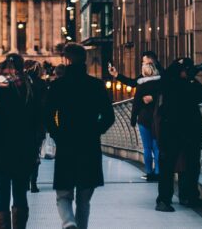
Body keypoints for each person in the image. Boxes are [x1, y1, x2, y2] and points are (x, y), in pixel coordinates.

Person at [45, 43, 116, 229]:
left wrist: (57, 134)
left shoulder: (58, 86)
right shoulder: (96, 85)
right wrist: (95, 131)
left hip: (66, 144)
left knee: (63, 195)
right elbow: (109, 116)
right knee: (84, 200)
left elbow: (47, 115)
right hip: (89, 145)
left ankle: (69, 223)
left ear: (66, 60)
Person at [0, 53, 42, 229]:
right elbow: (39, 118)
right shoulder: (29, 89)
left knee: (0, 199)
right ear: (22, 68)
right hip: (23, 151)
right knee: (20, 196)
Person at [154, 57, 202, 212]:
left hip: (185, 131)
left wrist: (190, 78)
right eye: (186, 70)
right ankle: (165, 200)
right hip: (174, 131)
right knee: (169, 166)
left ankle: (187, 196)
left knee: (190, 165)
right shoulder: (169, 83)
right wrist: (190, 80)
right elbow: (199, 94)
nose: (188, 72)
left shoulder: (180, 82)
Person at [108, 51, 163, 181]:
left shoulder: (142, 83)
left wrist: (133, 120)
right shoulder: (162, 79)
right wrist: (117, 75)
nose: (142, 64)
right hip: (158, 117)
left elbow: (136, 102)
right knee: (156, 147)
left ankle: (149, 172)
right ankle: (159, 172)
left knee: (146, 147)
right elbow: (165, 93)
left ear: (150, 62)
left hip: (144, 118)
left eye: (144, 62)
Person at [24, 59, 48, 193]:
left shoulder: (19, 83)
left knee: (23, 154)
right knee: (35, 154)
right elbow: (46, 105)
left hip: (22, 126)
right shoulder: (42, 84)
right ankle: (33, 182)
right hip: (37, 125)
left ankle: (25, 181)